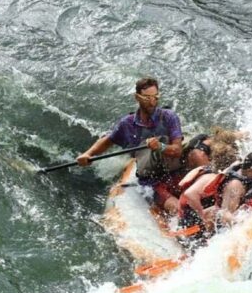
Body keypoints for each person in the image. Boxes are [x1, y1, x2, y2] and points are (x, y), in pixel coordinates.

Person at [76, 77, 184, 214]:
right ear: (137, 97)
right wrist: (88, 154)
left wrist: (160, 146)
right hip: (152, 181)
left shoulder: (169, 116)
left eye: (155, 97)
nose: (152, 102)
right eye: (147, 98)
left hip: (174, 169)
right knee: (175, 207)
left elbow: (178, 150)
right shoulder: (127, 123)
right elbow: (107, 140)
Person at [176, 150, 252, 246]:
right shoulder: (235, 185)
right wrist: (245, 226)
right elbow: (225, 215)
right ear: (250, 171)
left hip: (210, 216)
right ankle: (192, 242)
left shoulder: (244, 171)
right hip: (199, 227)